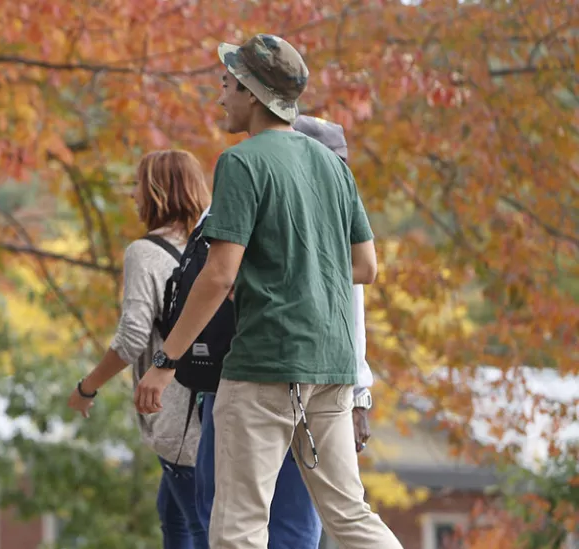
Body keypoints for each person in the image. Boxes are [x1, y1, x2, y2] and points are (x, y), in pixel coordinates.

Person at [132, 33, 403, 549]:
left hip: (262, 366)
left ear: (252, 94)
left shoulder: (242, 162)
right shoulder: (332, 165)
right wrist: (301, 272)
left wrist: (165, 363)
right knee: (349, 513)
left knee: (238, 525)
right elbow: (365, 266)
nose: (221, 98)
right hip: (332, 367)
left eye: (227, 86)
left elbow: (219, 275)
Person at [188, 114, 380, 549]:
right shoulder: (295, 207)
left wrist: (169, 362)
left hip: (261, 371)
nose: (336, 172)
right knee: (330, 515)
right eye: (331, 160)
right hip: (312, 372)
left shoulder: (252, 187)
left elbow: (356, 306)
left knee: (246, 518)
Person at [68, 150, 211, 549]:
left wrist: (86, 388)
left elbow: (131, 338)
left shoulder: (145, 252)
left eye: (137, 184)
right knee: (173, 515)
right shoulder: (215, 246)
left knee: (199, 527)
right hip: (213, 405)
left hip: (176, 412)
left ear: (156, 192)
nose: (132, 194)